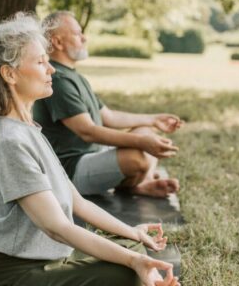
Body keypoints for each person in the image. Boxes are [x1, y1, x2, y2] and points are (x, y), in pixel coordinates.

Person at [0, 13, 180, 286]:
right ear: (10, 74)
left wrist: (133, 233)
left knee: (130, 245)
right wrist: (133, 261)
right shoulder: (10, 142)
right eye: (41, 62)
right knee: (127, 272)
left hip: (48, 259)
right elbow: (58, 228)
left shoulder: (29, 130)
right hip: (8, 274)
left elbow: (78, 203)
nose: (51, 69)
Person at [33, 11, 183, 198]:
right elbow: (87, 131)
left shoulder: (74, 76)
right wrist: (142, 143)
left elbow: (109, 117)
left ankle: (139, 184)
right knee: (138, 157)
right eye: (77, 34)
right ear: (57, 42)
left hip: (93, 155)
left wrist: (153, 120)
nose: (84, 38)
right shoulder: (59, 80)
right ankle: (139, 182)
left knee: (146, 131)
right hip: (70, 170)